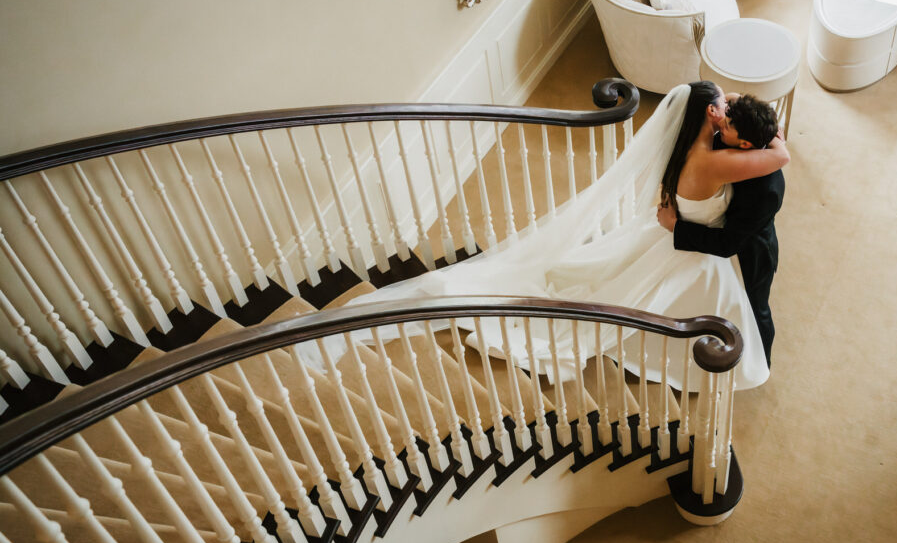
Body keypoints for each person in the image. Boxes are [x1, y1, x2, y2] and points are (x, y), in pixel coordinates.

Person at [301, 82, 785, 391]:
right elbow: (777, 157)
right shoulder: (716, 159)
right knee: (680, 300)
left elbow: (734, 122)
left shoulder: (693, 147)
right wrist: (751, 130)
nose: (727, 105)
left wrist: (718, 115)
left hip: (668, 233)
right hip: (687, 247)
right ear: (713, 121)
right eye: (721, 105)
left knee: (632, 284)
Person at [656, 89, 786, 367]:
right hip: (726, 222)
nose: (721, 125)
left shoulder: (767, 191)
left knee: (755, 309)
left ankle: (761, 361)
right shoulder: (731, 133)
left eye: (727, 127)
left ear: (745, 145)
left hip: (751, 249)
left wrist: (676, 227)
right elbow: (735, 97)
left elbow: (728, 243)